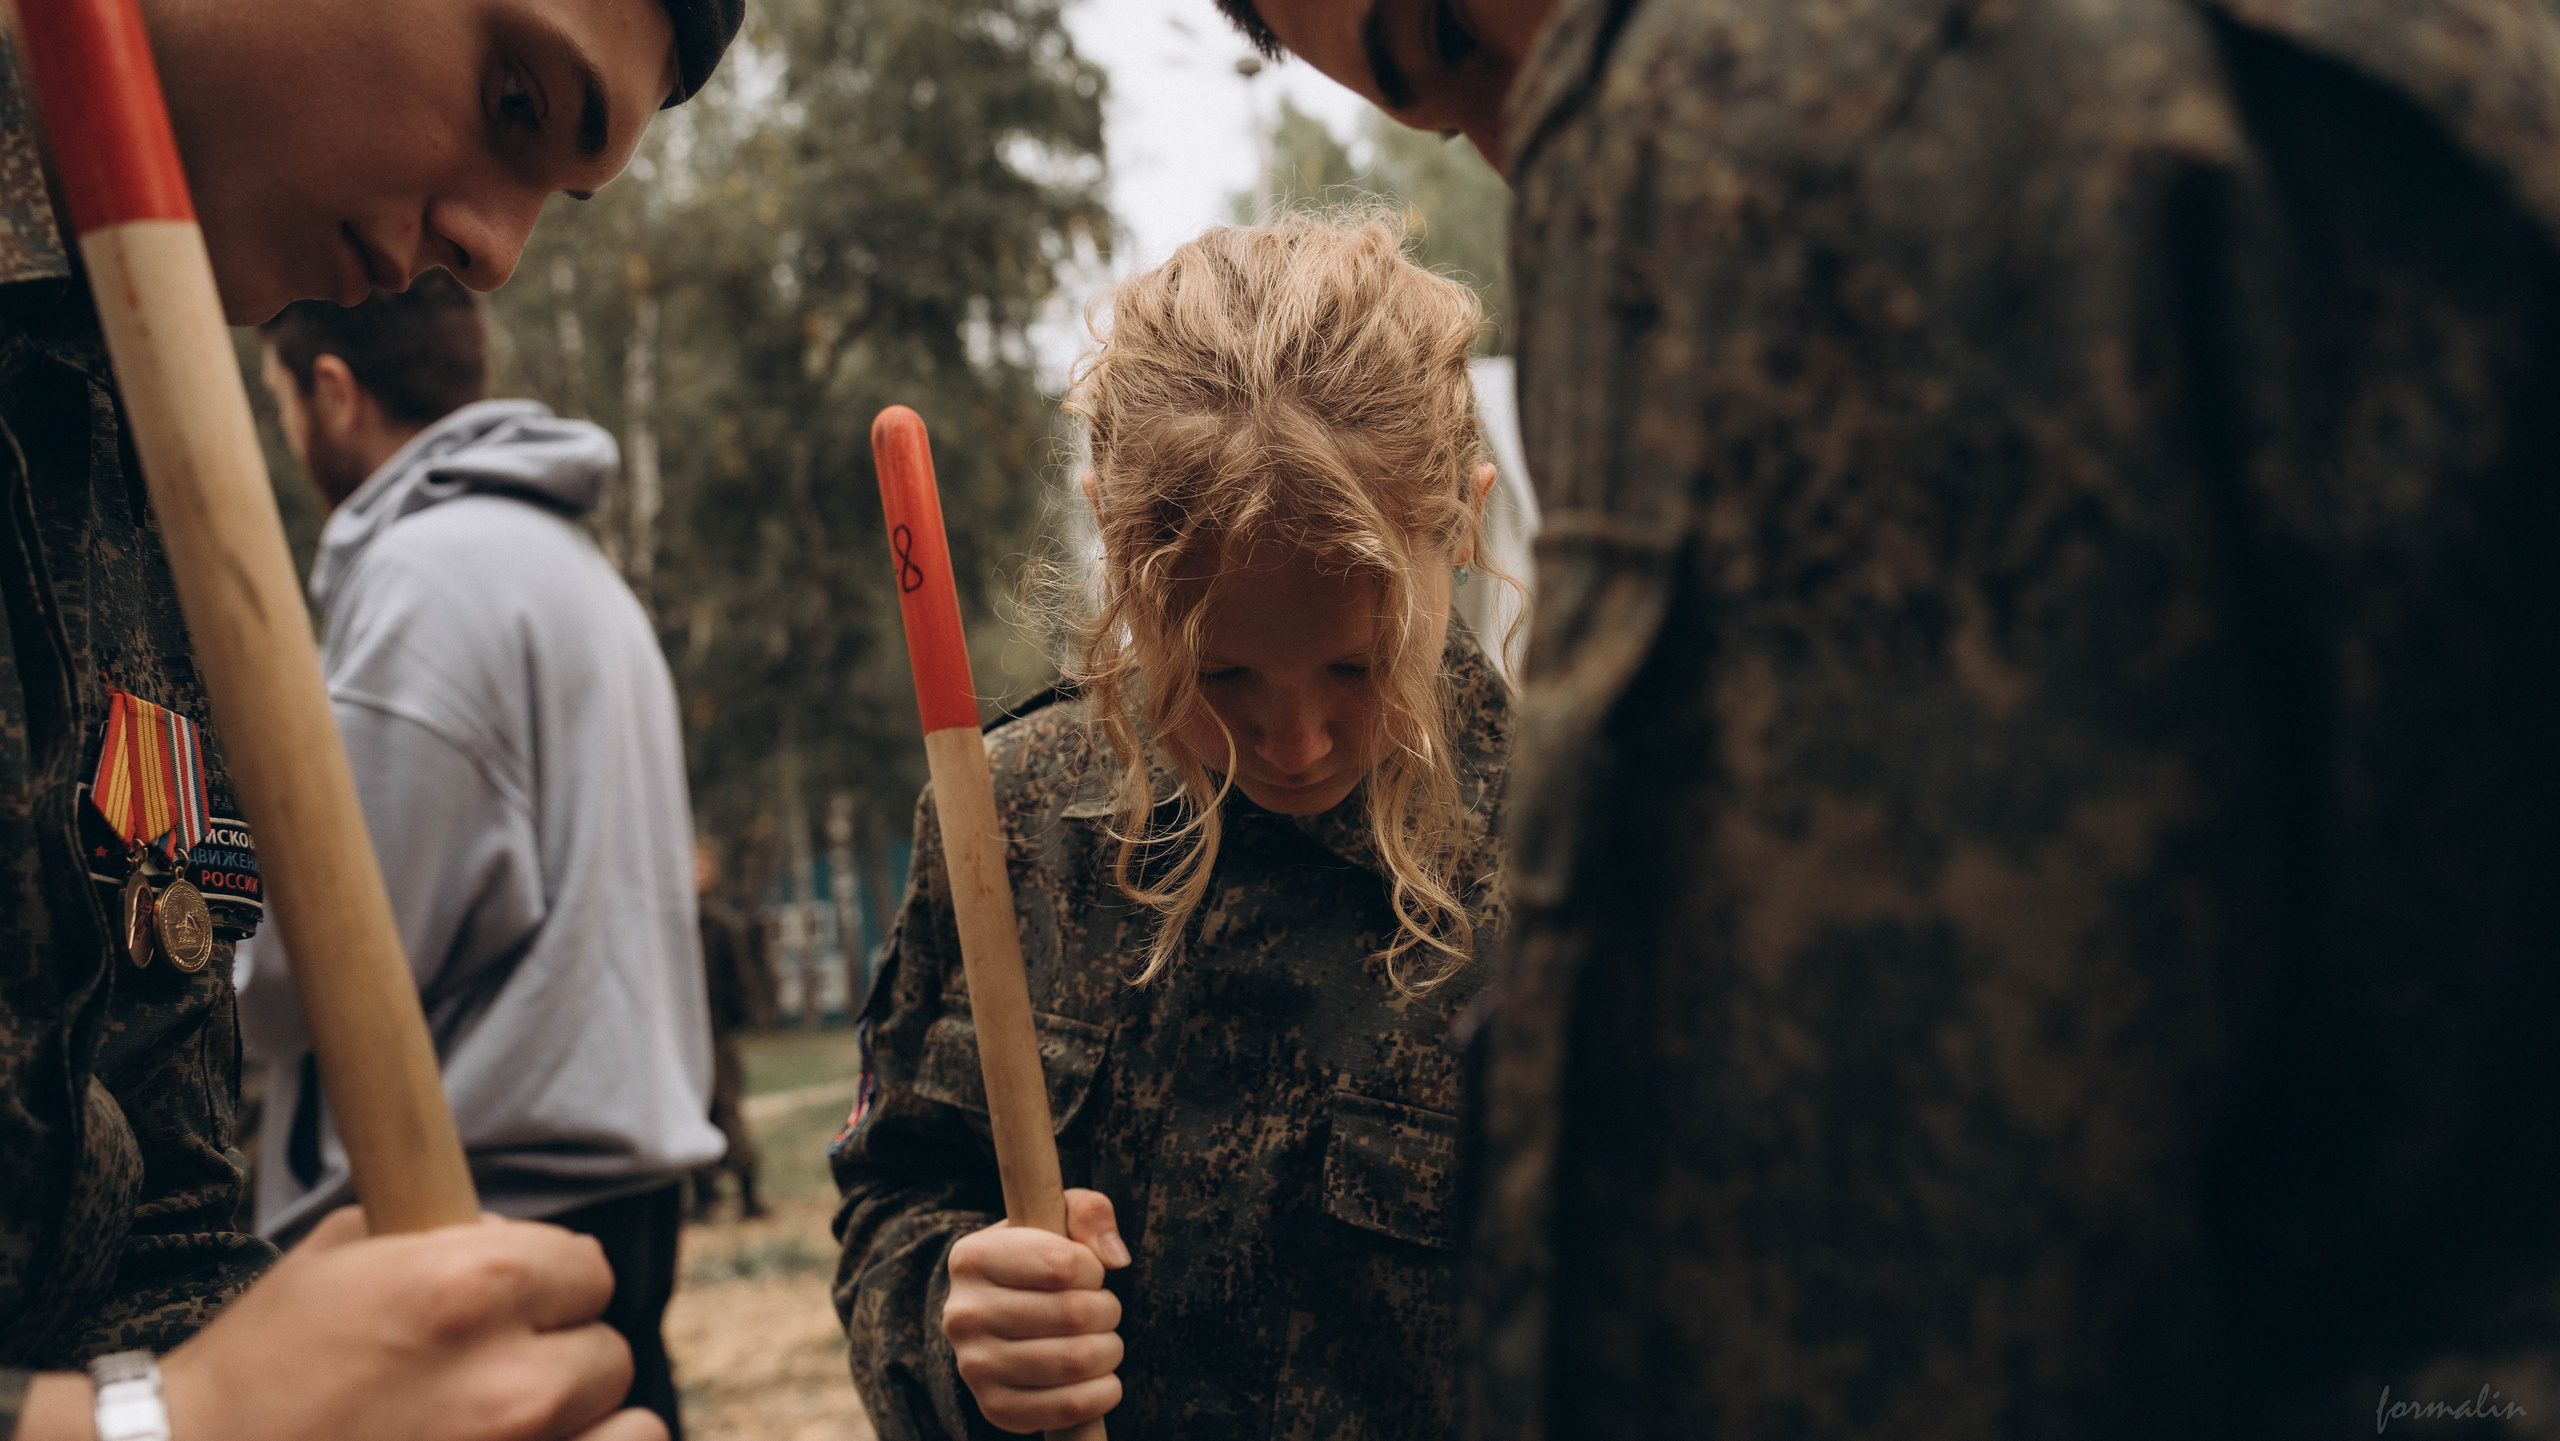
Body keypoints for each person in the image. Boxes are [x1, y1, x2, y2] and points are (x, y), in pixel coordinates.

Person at [1221, 0, 2560, 1436]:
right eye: (1433, 111)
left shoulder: (1764, 127)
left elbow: (1852, 1280)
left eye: (1458, 34)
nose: (1528, 154)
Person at [0, 0, 741, 1437]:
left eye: (558, 195)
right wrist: (172, 1423)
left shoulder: (135, 459)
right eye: (514, 99)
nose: (498, 253)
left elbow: (169, 1148)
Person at [832, 215, 1509, 1440]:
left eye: (1358, 668)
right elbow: (893, 1198)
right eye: (1226, 677)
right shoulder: (1011, 821)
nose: (1293, 741)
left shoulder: (1586, 850)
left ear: (1459, 521)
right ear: (1112, 538)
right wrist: (957, 1321)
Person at [238, 274, 722, 1436]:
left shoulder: (426, 581)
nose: (289, 435)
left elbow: (337, 950)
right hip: (614, 1184)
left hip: (468, 1202)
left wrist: (215, 977)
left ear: (334, 391)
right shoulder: (576, 573)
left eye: (281, 402)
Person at [689, 839, 766, 1222]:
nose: (693, 874)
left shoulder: (720, 924)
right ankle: (704, 1196)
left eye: (700, 867)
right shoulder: (671, 924)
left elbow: (742, 979)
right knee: (691, 1112)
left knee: (726, 1109)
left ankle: (749, 1193)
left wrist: (737, 1019)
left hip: (717, 1034)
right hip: (682, 1037)